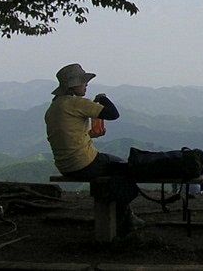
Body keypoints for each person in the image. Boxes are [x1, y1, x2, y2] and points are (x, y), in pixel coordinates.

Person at [45, 63, 143, 233]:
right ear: (73, 85)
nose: (86, 85)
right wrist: (103, 99)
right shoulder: (76, 104)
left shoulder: (54, 108)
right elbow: (113, 114)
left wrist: (90, 135)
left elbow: (67, 135)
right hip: (84, 163)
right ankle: (125, 219)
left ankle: (127, 217)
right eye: (83, 82)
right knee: (122, 167)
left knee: (115, 167)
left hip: (65, 166)